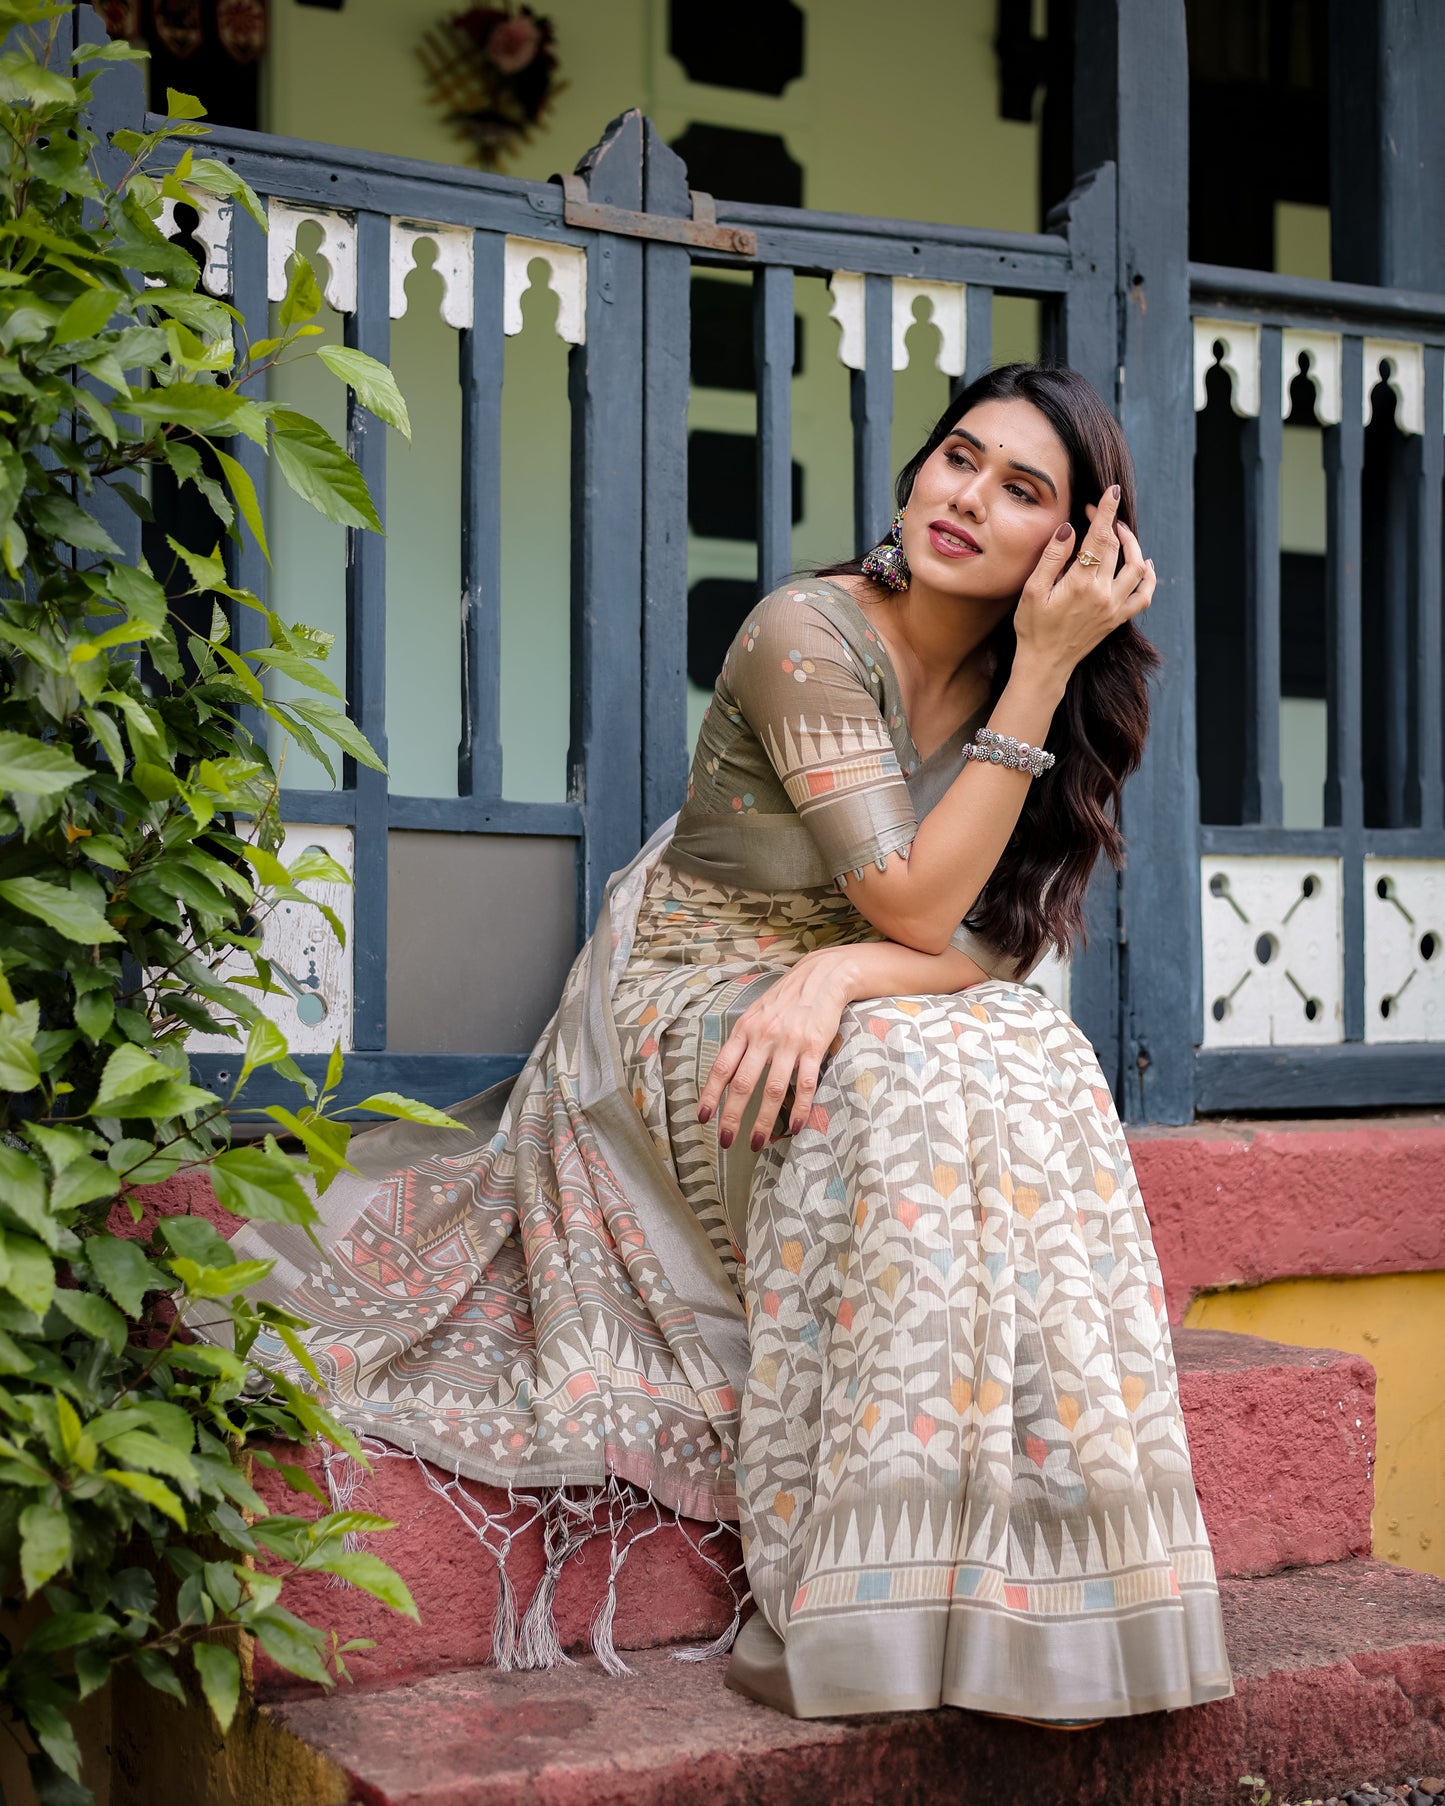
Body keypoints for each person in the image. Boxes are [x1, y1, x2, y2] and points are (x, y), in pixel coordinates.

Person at [218, 363, 1233, 1724]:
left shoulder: (1022, 683)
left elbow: (1003, 935)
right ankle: (850, 1581)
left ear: (1069, 547)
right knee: (899, 1072)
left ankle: (1045, 1580)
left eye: (1020, 491)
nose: (965, 498)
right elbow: (918, 899)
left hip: (844, 978)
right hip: (684, 989)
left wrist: (842, 973)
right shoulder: (804, 634)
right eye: (956, 459)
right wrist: (1036, 679)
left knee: (1036, 1052)